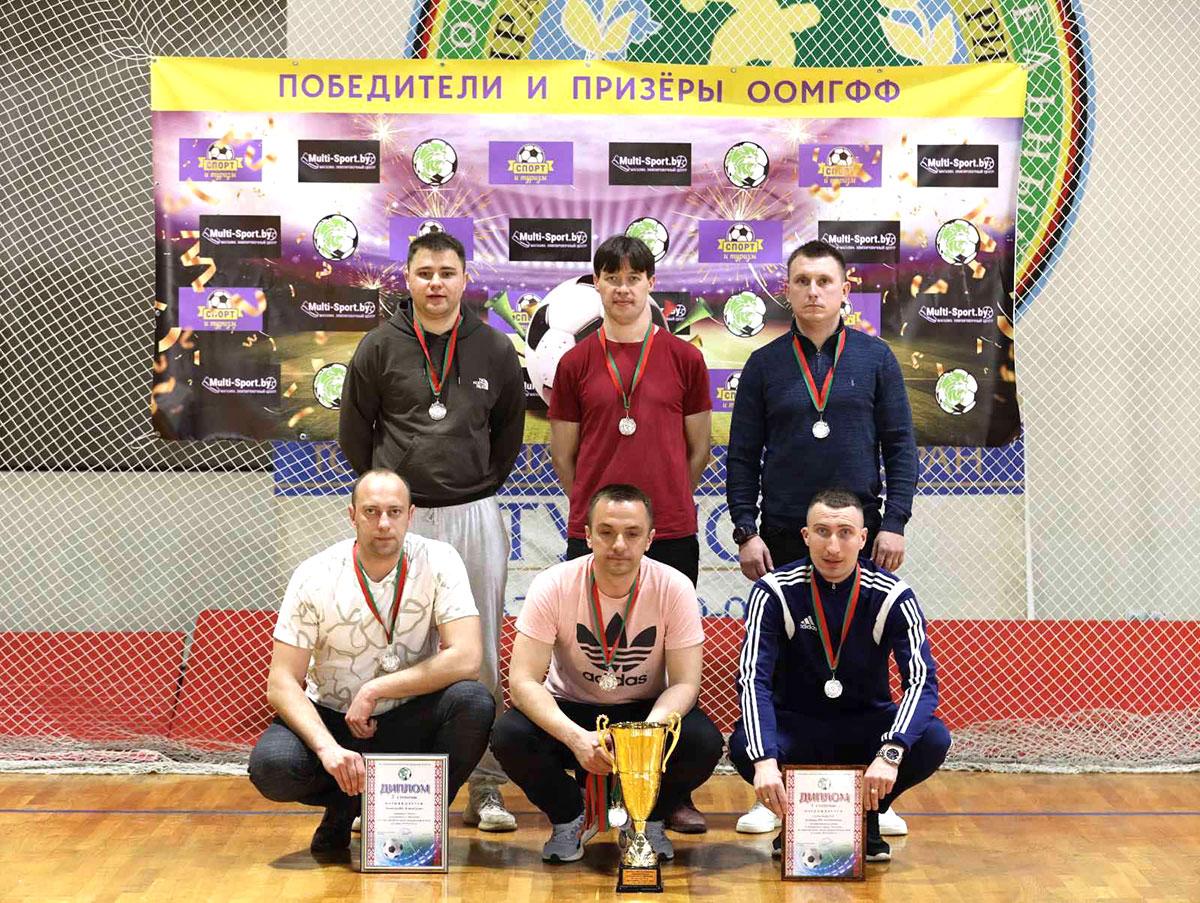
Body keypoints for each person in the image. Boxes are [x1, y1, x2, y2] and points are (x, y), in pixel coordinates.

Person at [726, 238, 917, 836]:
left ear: (844, 290)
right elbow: (742, 455)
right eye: (802, 281)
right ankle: (772, 791)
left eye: (824, 281)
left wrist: (894, 522)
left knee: (863, 657)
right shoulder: (764, 364)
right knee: (784, 663)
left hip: (859, 533)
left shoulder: (876, 357)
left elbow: (900, 446)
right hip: (785, 532)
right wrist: (745, 529)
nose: (813, 291)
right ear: (787, 289)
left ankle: (877, 792)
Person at [339, 230, 525, 831]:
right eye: (425, 273)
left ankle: (486, 786)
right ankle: (393, 788)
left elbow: (508, 435)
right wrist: (392, 499)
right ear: (408, 279)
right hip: (401, 517)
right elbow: (355, 434)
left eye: (447, 273)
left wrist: (474, 483)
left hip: (474, 511)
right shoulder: (378, 346)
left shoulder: (494, 348)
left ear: (465, 279)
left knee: (480, 650)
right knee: (397, 646)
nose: (436, 283)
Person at [548, 234, 713, 832]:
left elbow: (699, 449)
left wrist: (659, 508)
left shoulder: (685, 358)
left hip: (670, 531)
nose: (623, 288)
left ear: (651, 283)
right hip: (595, 537)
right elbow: (563, 455)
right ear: (596, 283)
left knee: (668, 662)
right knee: (594, 656)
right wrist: (601, 521)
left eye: (634, 277)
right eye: (611, 277)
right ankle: (593, 782)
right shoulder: (574, 363)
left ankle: (670, 794)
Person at [248, 469, 495, 856]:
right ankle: (344, 807)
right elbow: (281, 682)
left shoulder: (440, 560)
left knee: (474, 703)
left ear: (410, 516)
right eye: (371, 511)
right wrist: (328, 750)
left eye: (394, 512)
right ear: (352, 516)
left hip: (407, 718)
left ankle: (406, 820)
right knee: (273, 767)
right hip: (334, 717)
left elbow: (467, 657)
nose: (383, 524)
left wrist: (376, 689)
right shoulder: (314, 574)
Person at [490, 484, 724, 863]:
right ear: (587, 535)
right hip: (571, 707)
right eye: (606, 532)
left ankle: (647, 820)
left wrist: (645, 738)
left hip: (643, 711)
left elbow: (685, 683)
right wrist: (576, 738)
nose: (618, 544)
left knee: (703, 742)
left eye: (632, 534)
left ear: (649, 539)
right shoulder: (553, 583)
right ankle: (571, 815)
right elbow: (522, 682)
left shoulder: (674, 586)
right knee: (509, 734)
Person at [729, 489, 950, 861]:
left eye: (845, 533)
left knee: (932, 737)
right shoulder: (774, 591)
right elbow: (754, 680)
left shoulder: (893, 595)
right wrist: (764, 760)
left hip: (866, 726)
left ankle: (868, 815)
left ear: (863, 538)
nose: (833, 546)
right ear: (805, 536)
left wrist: (891, 752)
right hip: (797, 727)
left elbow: (921, 682)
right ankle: (799, 819)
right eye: (822, 532)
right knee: (743, 745)